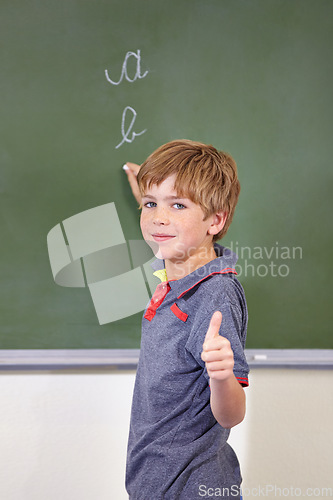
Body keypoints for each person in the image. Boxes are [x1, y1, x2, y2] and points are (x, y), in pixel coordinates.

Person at [124, 140, 249, 499]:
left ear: (216, 220)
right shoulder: (176, 270)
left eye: (178, 204)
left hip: (191, 487)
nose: (158, 218)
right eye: (149, 205)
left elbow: (231, 415)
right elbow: (165, 229)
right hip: (155, 481)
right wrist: (156, 196)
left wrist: (223, 375)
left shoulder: (214, 295)